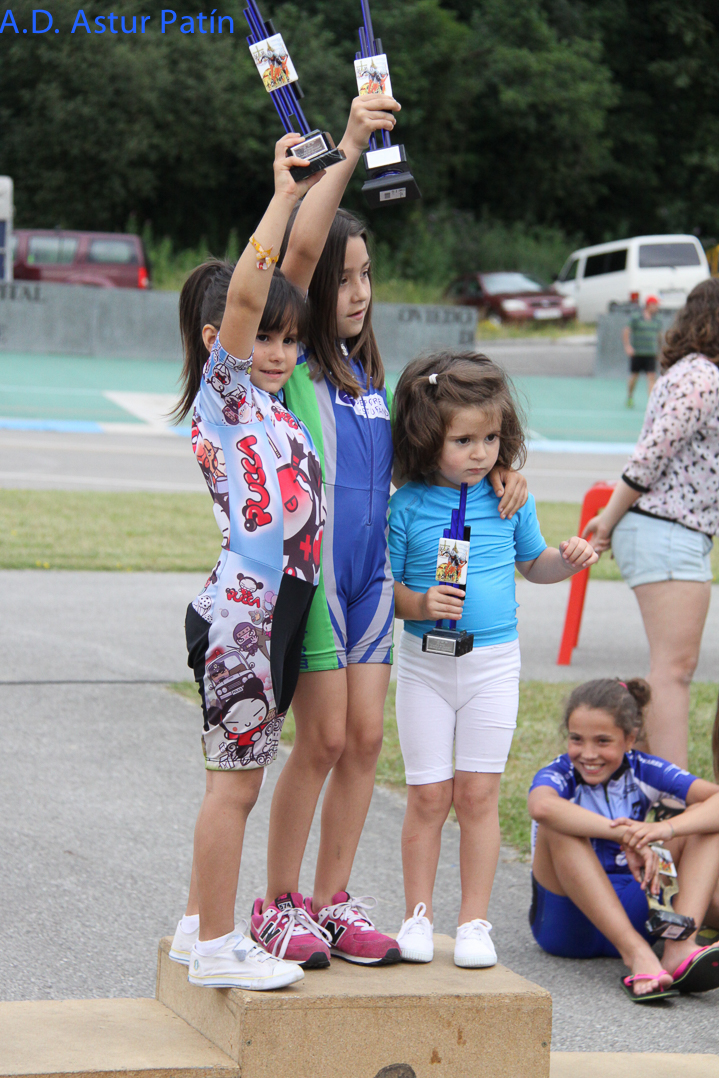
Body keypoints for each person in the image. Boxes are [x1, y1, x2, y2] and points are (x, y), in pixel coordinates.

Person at [251, 101, 529, 967]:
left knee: (367, 743)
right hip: (317, 578)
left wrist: (503, 473)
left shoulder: (369, 374)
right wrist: (350, 144)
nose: (359, 291)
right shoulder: (300, 360)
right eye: (344, 278)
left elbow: (439, 461)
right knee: (323, 739)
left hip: (373, 581)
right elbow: (298, 256)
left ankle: (331, 901)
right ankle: (277, 904)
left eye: (366, 275)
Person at [166, 134, 328, 990]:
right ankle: (220, 948)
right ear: (220, 339)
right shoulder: (225, 400)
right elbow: (255, 285)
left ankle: (199, 925)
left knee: (240, 780)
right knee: (234, 785)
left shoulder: (279, 409)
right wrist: (282, 195)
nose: (277, 352)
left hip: (280, 611)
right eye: (262, 337)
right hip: (245, 612)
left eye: (288, 341)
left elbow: (293, 274)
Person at [387, 352, 598, 969]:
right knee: (429, 796)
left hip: (493, 665)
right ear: (427, 437)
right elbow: (383, 591)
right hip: (425, 665)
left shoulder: (509, 498)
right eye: (463, 441)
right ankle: (417, 915)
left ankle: (474, 922)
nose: (480, 454)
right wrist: (420, 601)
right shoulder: (406, 507)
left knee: (478, 795)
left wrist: (568, 559)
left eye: (491, 439)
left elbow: (534, 565)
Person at [583, 278, 719, 768]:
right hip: (666, 529)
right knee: (674, 670)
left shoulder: (692, 374)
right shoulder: (702, 377)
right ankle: (673, 793)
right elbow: (651, 456)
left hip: (673, 530)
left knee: (672, 668)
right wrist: (607, 521)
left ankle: (645, 777)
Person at [528, 678, 719, 1001]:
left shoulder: (645, 769)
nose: (588, 754)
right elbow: (541, 807)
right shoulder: (559, 772)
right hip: (566, 924)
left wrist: (664, 829)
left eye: (603, 741)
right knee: (557, 822)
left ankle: (679, 946)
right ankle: (637, 954)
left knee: (705, 821)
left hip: (633, 906)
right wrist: (626, 834)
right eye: (576, 739)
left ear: (630, 739)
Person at [623, 295, 662, 407]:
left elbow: (659, 336)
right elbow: (626, 331)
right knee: (634, 377)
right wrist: (628, 346)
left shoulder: (657, 320)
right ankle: (630, 396)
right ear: (649, 305)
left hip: (651, 353)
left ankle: (651, 403)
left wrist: (659, 351)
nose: (657, 308)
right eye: (655, 305)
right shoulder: (636, 317)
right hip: (638, 353)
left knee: (651, 377)